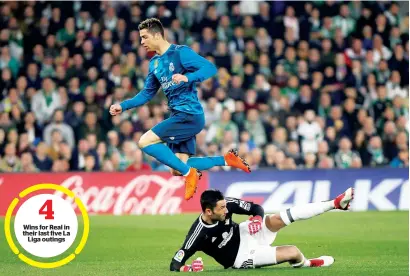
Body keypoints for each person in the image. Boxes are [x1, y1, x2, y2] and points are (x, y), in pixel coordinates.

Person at [109, 18, 250, 201]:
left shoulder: (180, 53)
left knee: (145, 142)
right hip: (179, 114)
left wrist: (188, 78)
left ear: (157, 35)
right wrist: (123, 105)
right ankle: (226, 160)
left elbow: (210, 68)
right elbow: (146, 94)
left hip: (189, 114)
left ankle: (190, 174)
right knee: (176, 168)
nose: (141, 42)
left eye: (144, 37)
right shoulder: (155, 64)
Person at [169, 188, 354, 272]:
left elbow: (256, 208)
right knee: (293, 252)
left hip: (245, 232)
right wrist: (189, 269)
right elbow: (175, 264)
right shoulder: (198, 234)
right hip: (241, 257)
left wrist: (257, 219)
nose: (227, 210)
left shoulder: (227, 204)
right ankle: (307, 263)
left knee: (278, 218)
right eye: (222, 209)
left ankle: (334, 204)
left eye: (226, 206)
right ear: (208, 211)